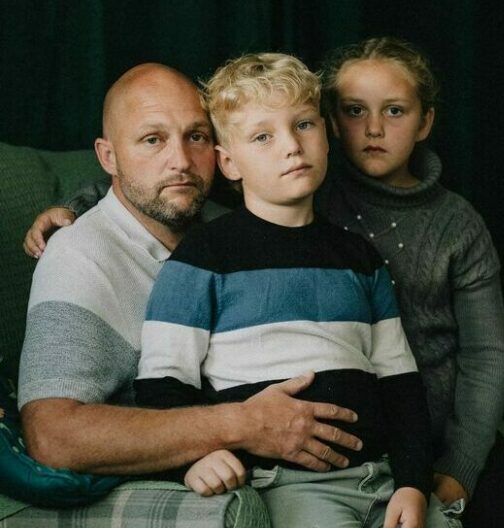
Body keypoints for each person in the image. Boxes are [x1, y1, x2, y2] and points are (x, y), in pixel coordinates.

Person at [133, 51, 460, 528]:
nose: (291, 145)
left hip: (385, 479)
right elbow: (162, 383)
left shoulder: (359, 257)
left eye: (303, 124)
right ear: (228, 162)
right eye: (263, 136)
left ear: (326, 135)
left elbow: (400, 384)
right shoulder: (202, 259)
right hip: (289, 486)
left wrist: (413, 482)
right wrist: (192, 459)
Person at [17, 63, 366, 485]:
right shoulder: (79, 256)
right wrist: (242, 425)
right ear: (108, 156)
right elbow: (53, 436)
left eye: (196, 136)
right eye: (153, 140)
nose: (180, 162)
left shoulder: (229, 225)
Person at [317, 36, 504, 527]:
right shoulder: (311, 197)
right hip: (350, 438)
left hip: (441, 432)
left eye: (394, 111)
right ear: (329, 119)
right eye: (353, 110)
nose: (373, 128)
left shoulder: (458, 223)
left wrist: (461, 466)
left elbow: (486, 352)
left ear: (425, 121)